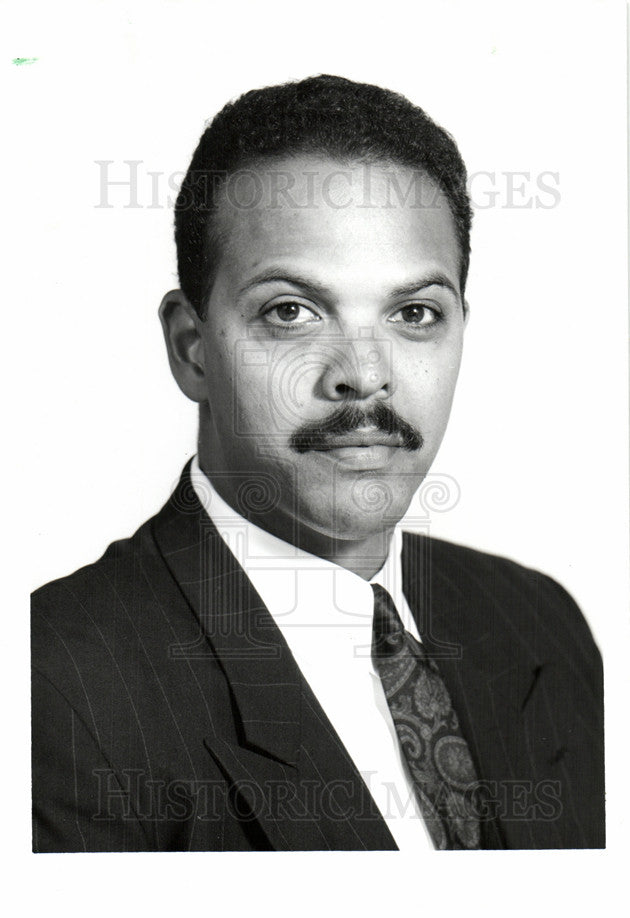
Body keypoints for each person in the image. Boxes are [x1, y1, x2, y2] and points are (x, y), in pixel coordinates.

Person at [31, 74, 605, 852]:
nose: (363, 375)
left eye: (414, 314)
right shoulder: (52, 690)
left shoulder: (540, 622)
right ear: (191, 350)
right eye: (291, 312)